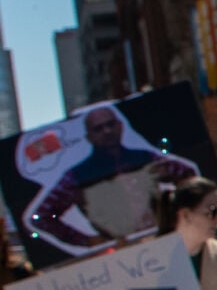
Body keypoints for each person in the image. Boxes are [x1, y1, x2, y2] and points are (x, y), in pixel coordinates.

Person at [28, 106, 199, 254]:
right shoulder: (76, 176)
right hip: (120, 256)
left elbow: (189, 176)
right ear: (90, 137)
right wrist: (88, 241)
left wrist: (180, 216)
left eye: (110, 125)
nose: (107, 131)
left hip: (163, 242)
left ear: (120, 127)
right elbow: (42, 216)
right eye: (99, 128)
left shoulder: (145, 158)